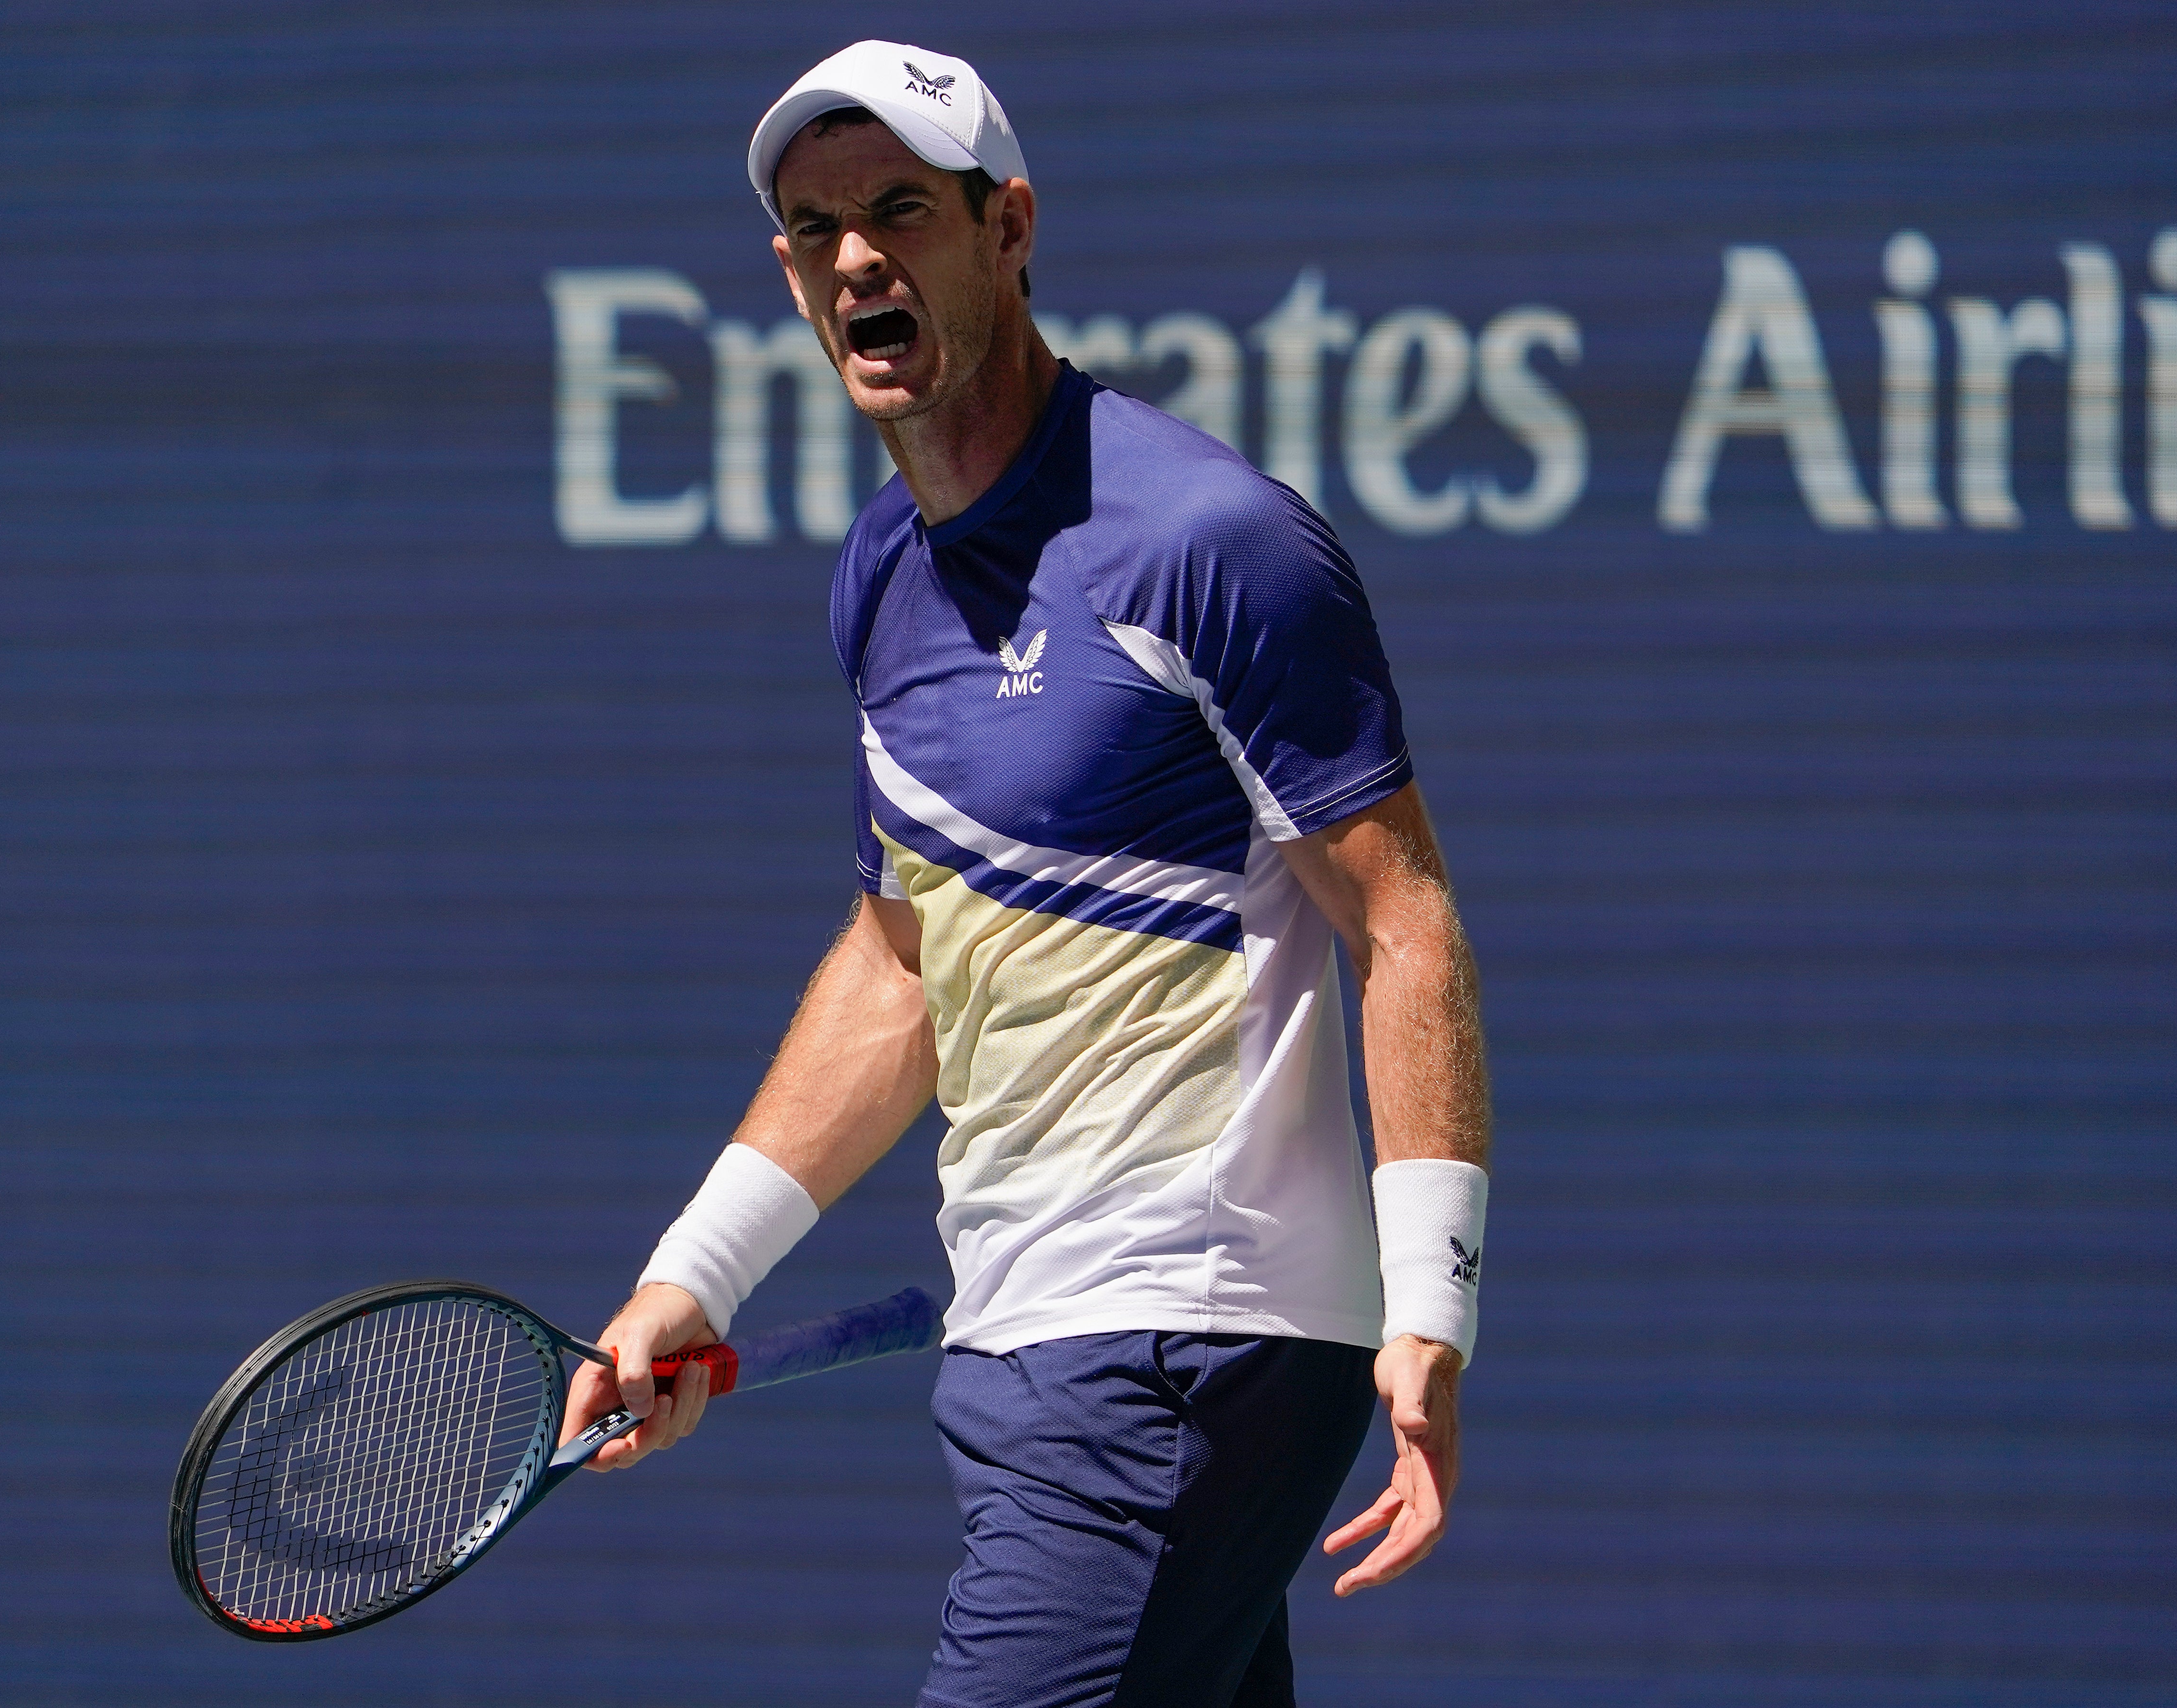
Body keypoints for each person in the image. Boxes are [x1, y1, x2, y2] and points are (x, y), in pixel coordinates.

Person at [560, 40, 1493, 1708]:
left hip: (1179, 1344)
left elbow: (1402, 917)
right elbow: (904, 964)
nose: (859, 259)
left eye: (903, 211)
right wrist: (691, 1280)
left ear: (1010, 228)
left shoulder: (1208, 540)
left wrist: (1431, 1302)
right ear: (787, 272)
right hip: (1031, 1342)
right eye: (817, 227)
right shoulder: (880, 580)